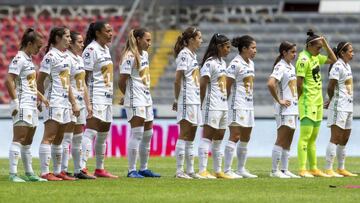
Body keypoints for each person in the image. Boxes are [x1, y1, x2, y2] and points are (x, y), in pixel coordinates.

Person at [37, 26, 80, 181]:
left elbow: (67, 83)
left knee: (60, 138)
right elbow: (40, 80)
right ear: (57, 38)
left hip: (64, 102)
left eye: (70, 37)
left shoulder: (66, 57)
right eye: (67, 36)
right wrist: (40, 99)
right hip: (53, 101)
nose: (69, 39)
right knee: (49, 136)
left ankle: (57, 171)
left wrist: (73, 103)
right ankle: (44, 172)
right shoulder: (50, 56)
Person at [6, 28, 48, 182]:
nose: (39, 50)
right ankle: (13, 174)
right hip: (23, 104)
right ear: (29, 44)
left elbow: (31, 85)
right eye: (38, 46)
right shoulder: (19, 59)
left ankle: (29, 173)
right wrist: (15, 101)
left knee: (28, 141)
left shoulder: (29, 59)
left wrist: (41, 98)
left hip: (31, 104)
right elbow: (8, 80)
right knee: (19, 138)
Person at [118, 28, 160, 178]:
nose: (149, 43)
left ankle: (144, 168)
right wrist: (127, 95)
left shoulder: (145, 54)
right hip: (136, 98)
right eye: (147, 40)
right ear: (137, 39)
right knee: (137, 133)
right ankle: (131, 170)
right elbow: (121, 80)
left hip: (147, 97)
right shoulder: (129, 56)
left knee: (148, 133)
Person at [296, 30, 336, 178]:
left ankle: (313, 168)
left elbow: (333, 60)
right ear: (309, 45)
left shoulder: (315, 57)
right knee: (305, 137)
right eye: (318, 47)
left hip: (317, 102)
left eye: (321, 47)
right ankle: (302, 169)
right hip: (308, 102)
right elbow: (298, 84)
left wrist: (325, 44)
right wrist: (302, 99)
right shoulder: (303, 59)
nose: (320, 50)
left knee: (313, 138)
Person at [81, 21, 118, 178]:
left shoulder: (106, 49)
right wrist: (87, 100)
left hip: (107, 96)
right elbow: (84, 77)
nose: (111, 33)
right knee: (90, 131)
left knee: (103, 133)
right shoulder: (91, 49)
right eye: (107, 31)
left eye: (111, 31)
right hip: (96, 95)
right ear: (97, 33)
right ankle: (82, 167)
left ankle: (100, 168)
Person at [197, 33, 232, 179]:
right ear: (219, 47)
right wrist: (201, 103)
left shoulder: (223, 63)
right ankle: (202, 170)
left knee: (219, 138)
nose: (229, 50)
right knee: (207, 137)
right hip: (212, 105)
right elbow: (203, 83)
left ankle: (218, 170)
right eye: (227, 47)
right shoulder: (209, 63)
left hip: (223, 105)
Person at [61, 31, 95, 179]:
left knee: (78, 138)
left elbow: (84, 84)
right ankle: (62, 169)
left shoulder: (79, 59)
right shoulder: (66, 58)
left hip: (80, 102)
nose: (82, 45)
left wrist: (88, 104)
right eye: (79, 42)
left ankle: (78, 170)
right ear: (71, 43)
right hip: (70, 102)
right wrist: (73, 102)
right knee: (67, 138)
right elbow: (66, 82)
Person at [223, 35, 257, 178]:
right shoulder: (235, 64)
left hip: (249, 104)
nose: (255, 51)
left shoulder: (250, 63)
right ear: (244, 49)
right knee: (235, 136)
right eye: (253, 48)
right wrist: (225, 103)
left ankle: (241, 169)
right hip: (237, 104)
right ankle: (227, 170)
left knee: (246, 137)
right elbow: (227, 86)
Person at [173, 27, 203, 179]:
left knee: (192, 134)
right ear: (191, 39)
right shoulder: (184, 54)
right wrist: (176, 99)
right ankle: (179, 171)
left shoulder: (193, 55)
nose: (201, 40)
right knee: (184, 133)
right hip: (187, 98)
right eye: (199, 38)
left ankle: (190, 170)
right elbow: (178, 79)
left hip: (195, 98)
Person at [267, 41, 300, 178]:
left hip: (293, 108)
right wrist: (279, 100)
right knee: (281, 139)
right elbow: (270, 83)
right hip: (284, 109)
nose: (294, 54)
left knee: (289, 140)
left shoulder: (290, 67)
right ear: (284, 52)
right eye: (292, 52)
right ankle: (274, 171)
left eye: (295, 51)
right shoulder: (280, 66)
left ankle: (285, 170)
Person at [324, 42, 357, 177]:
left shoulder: (347, 66)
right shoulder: (337, 66)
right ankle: (328, 168)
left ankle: (341, 168)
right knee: (335, 138)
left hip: (348, 106)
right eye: (350, 51)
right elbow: (330, 86)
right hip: (339, 106)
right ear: (342, 53)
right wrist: (331, 99)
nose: (353, 53)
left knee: (345, 138)